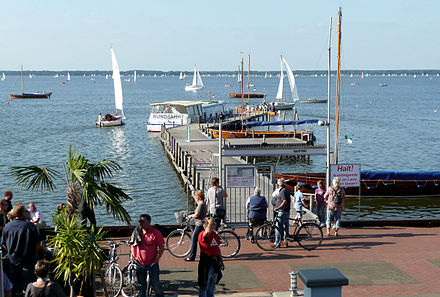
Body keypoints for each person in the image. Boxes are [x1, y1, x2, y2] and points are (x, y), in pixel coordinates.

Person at [2, 203, 41, 297]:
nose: (27, 212)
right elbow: (37, 244)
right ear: (21, 213)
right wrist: (34, 255)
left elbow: (3, 243)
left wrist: (10, 251)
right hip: (28, 260)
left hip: (12, 260)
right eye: (25, 211)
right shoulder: (30, 226)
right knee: (28, 287)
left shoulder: (7, 226)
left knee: (13, 287)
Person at [130, 214, 165, 297]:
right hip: (140, 263)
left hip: (152, 263)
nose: (140, 224)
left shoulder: (155, 233)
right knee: (141, 286)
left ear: (149, 222)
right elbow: (132, 244)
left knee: (156, 284)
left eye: (142, 222)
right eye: (140, 221)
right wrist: (133, 255)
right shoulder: (137, 231)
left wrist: (157, 258)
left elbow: (161, 247)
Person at [198, 218, 223, 297]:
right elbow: (207, 232)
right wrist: (211, 221)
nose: (214, 225)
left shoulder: (214, 234)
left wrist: (221, 260)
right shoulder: (202, 234)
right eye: (212, 224)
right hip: (206, 262)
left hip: (215, 262)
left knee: (212, 284)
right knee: (205, 283)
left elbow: (217, 247)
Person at [186, 190, 207, 262]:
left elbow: (196, 215)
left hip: (199, 224)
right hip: (201, 223)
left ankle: (192, 257)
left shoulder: (200, 205)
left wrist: (190, 216)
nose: (195, 197)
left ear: (199, 197)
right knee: (202, 239)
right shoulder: (203, 203)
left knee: (194, 239)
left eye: (196, 196)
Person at [273, 178, 291, 247]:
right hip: (287, 211)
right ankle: (285, 241)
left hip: (282, 211)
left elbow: (284, 201)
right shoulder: (286, 190)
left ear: (278, 184)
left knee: (278, 227)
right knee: (286, 226)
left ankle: (277, 242)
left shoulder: (282, 191)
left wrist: (278, 207)